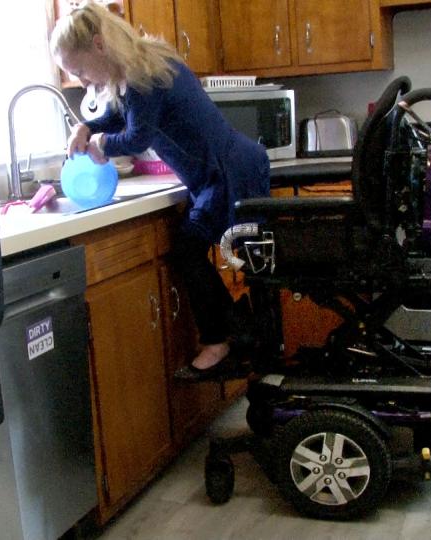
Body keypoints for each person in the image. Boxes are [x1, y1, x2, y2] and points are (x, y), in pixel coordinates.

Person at [50, 2, 270, 381]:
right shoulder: (144, 62)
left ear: (99, 45)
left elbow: (137, 135)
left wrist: (101, 144)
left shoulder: (140, 78)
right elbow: (122, 116)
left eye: (80, 70)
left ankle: (225, 338)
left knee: (192, 250)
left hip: (226, 173)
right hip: (225, 168)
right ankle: (244, 331)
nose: (83, 81)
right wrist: (86, 126)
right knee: (239, 262)